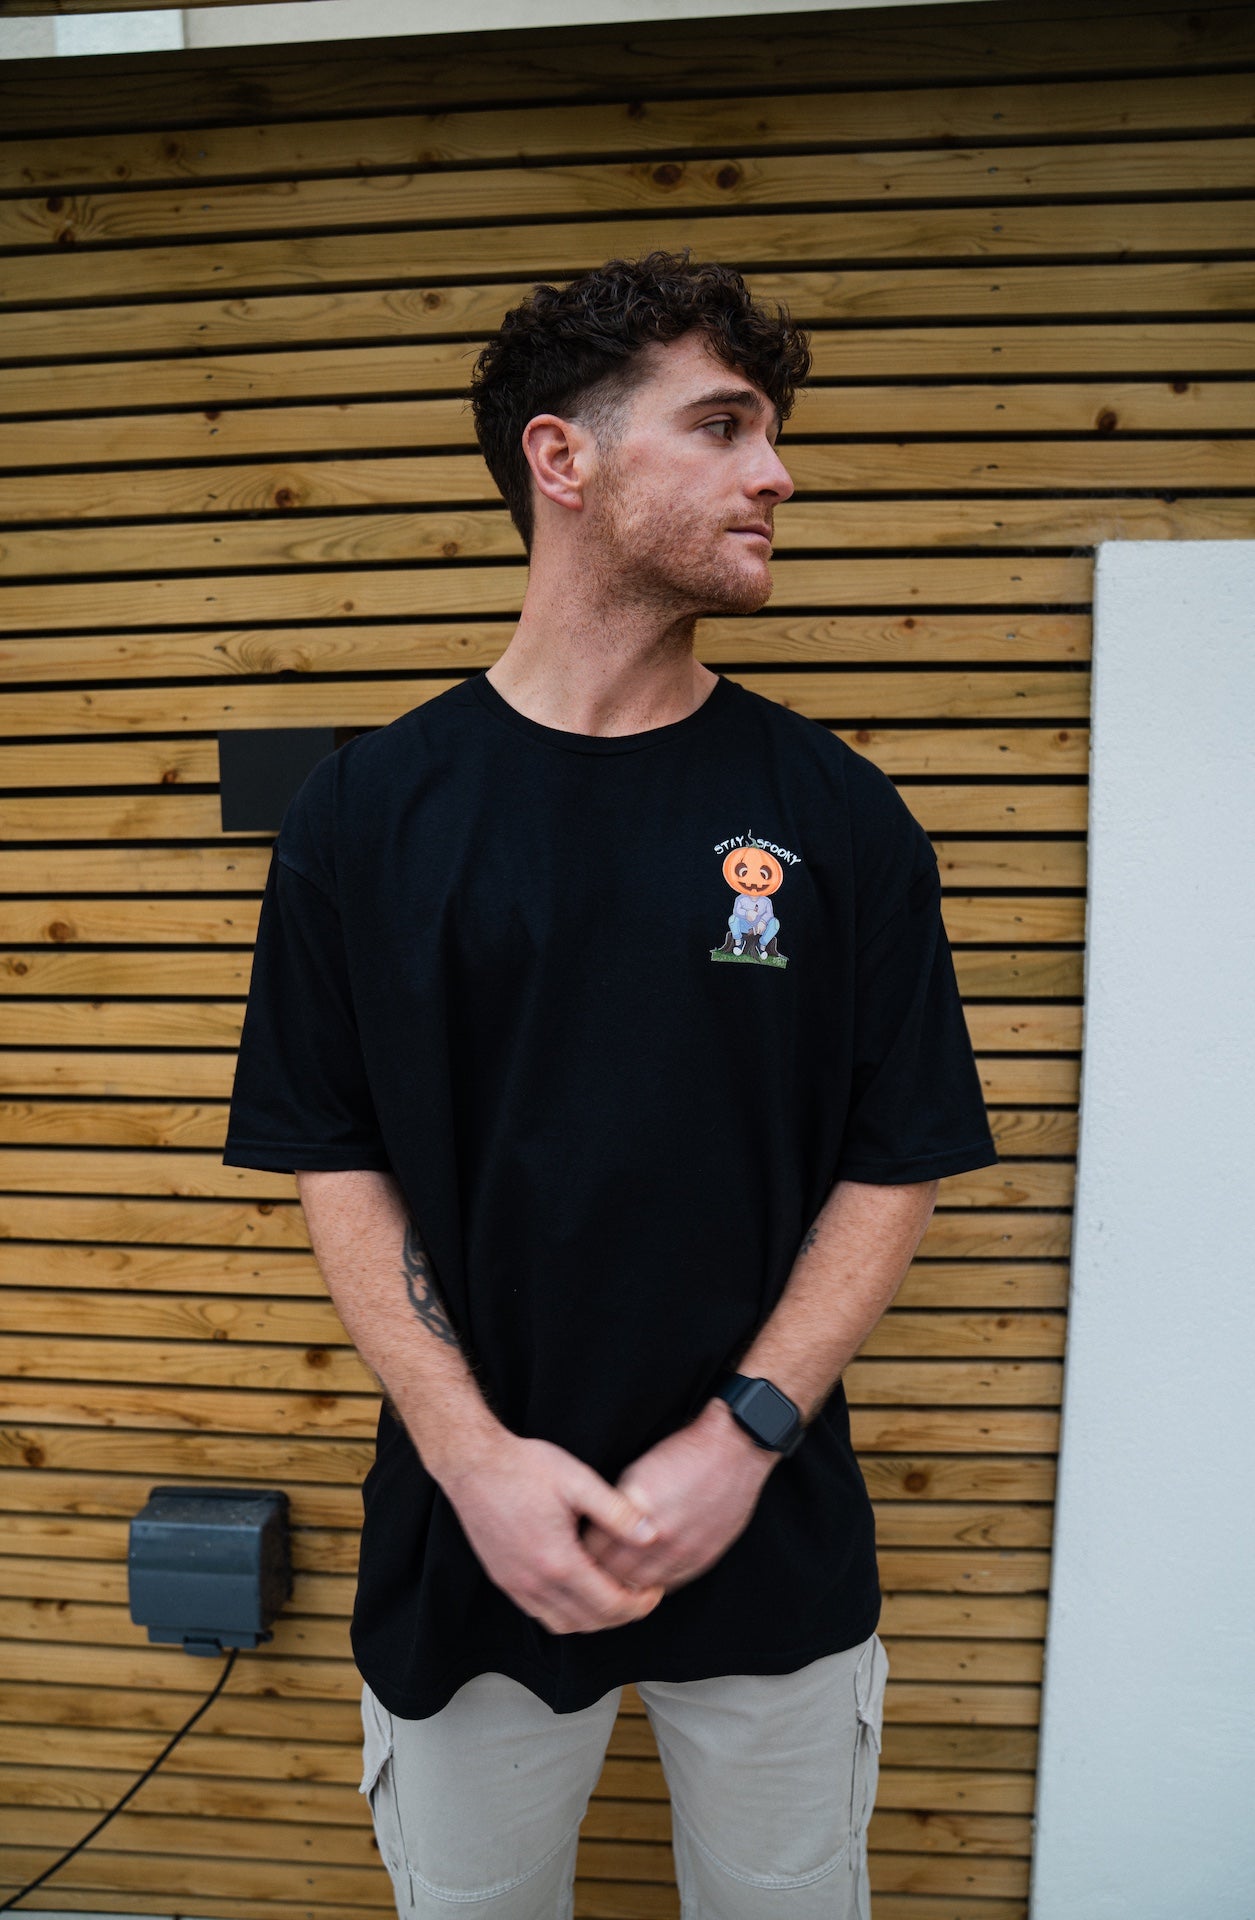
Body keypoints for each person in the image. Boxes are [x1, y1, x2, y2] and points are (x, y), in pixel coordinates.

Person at [223, 250, 998, 1920]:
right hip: (468, 1540)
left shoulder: (841, 816)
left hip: (773, 1537)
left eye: (771, 433)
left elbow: (898, 1156)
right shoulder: (365, 818)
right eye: (722, 426)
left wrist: (747, 1434)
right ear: (561, 460)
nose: (775, 474)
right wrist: (470, 1456)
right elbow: (335, 1155)